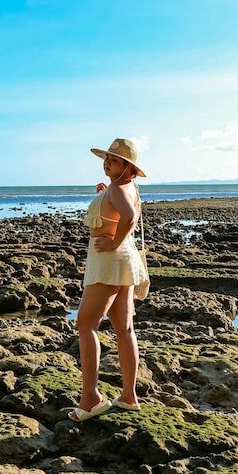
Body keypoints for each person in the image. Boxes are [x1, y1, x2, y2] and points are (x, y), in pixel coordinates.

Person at [68, 137, 149, 422]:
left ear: (127, 166)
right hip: (124, 260)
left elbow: (126, 216)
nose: (106, 163)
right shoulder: (127, 188)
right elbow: (124, 212)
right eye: (106, 159)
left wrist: (113, 243)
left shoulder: (118, 188)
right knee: (124, 328)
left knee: (85, 324)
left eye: (113, 160)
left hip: (109, 260)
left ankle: (91, 398)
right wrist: (104, 195)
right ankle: (128, 396)